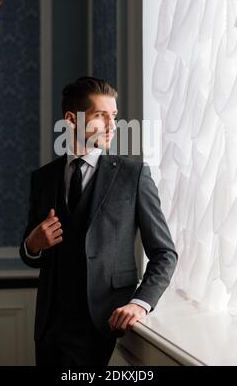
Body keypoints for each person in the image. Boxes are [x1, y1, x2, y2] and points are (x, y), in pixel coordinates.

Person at [19, 76, 178, 367]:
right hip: (49, 329)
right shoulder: (43, 179)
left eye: (114, 116)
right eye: (100, 116)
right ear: (72, 119)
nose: (111, 125)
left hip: (103, 324)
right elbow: (32, 253)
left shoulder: (133, 175)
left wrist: (140, 303)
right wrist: (33, 244)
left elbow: (165, 253)